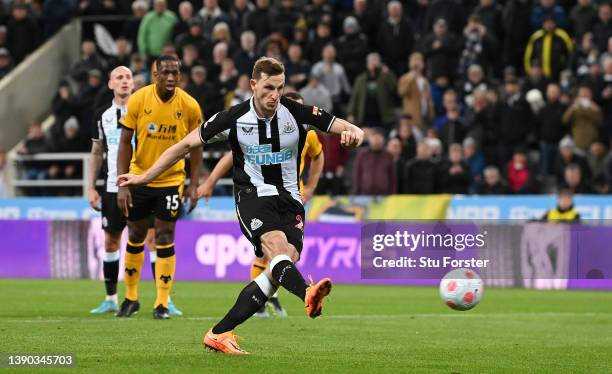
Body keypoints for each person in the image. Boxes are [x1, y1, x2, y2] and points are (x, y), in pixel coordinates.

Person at [118, 57, 364, 354]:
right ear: (253, 85)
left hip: (290, 199)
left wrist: (353, 136)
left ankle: (220, 333)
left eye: (280, 88)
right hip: (253, 197)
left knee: (282, 264)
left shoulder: (297, 113)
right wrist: (145, 176)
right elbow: (184, 146)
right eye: (269, 88)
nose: (275, 95)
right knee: (275, 247)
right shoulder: (233, 118)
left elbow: (350, 128)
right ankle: (307, 293)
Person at [198, 91, 324, 318]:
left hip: (292, 197)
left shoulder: (307, 132)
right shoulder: (264, 129)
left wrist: (312, 186)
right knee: (268, 252)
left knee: (288, 254)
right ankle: (273, 300)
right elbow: (231, 156)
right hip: (263, 194)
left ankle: (265, 299)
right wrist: (210, 181)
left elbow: (318, 155)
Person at [87, 66, 183, 316]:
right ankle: (111, 297)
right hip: (111, 186)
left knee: (152, 239)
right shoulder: (102, 115)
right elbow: (97, 152)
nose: (124, 81)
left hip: (143, 185)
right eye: (119, 77)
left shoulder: (144, 109)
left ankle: (164, 299)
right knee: (111, 240)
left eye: (128, 77)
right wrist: (89, 186)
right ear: (110, 84)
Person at [115, 55, 202, 319]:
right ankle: (130, 298)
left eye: (175, 73)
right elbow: (124, 143)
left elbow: (197, 146)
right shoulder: (139, 100)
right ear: (155, 75)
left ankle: (162, 303)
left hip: (171, 181)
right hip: (139, 179)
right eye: (165, 73)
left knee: (164, 236)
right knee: (136, 234)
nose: (171, 78)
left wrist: (193, 183)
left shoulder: (189, 106)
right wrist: (122, 183)